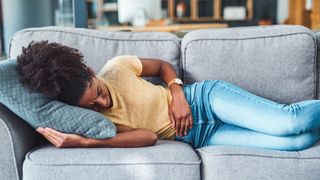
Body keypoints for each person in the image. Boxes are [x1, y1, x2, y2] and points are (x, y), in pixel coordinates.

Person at [17, 41, 320, 151]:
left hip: (203, 99)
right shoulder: (93, 121)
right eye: (94, 105)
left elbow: (162, 66)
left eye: (97, 93)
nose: (102, 103)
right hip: (201, 137)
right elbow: (148, 137)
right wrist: (84, 142)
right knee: (297, 142)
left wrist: (177, 93)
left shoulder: (117, 67)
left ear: (91, 71)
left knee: (288, 124)